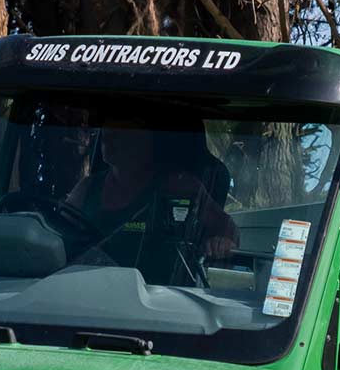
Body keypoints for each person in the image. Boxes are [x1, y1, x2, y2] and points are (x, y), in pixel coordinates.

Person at [63, 111, 238, 260]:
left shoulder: (178, 185)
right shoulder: (88, 187)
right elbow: (57, 230)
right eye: (108, 129)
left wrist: (222, 242)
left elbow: (227, 227)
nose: (110, 128)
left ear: (149, 137)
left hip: (163, 294)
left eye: (125, 122)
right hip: (90, 290)